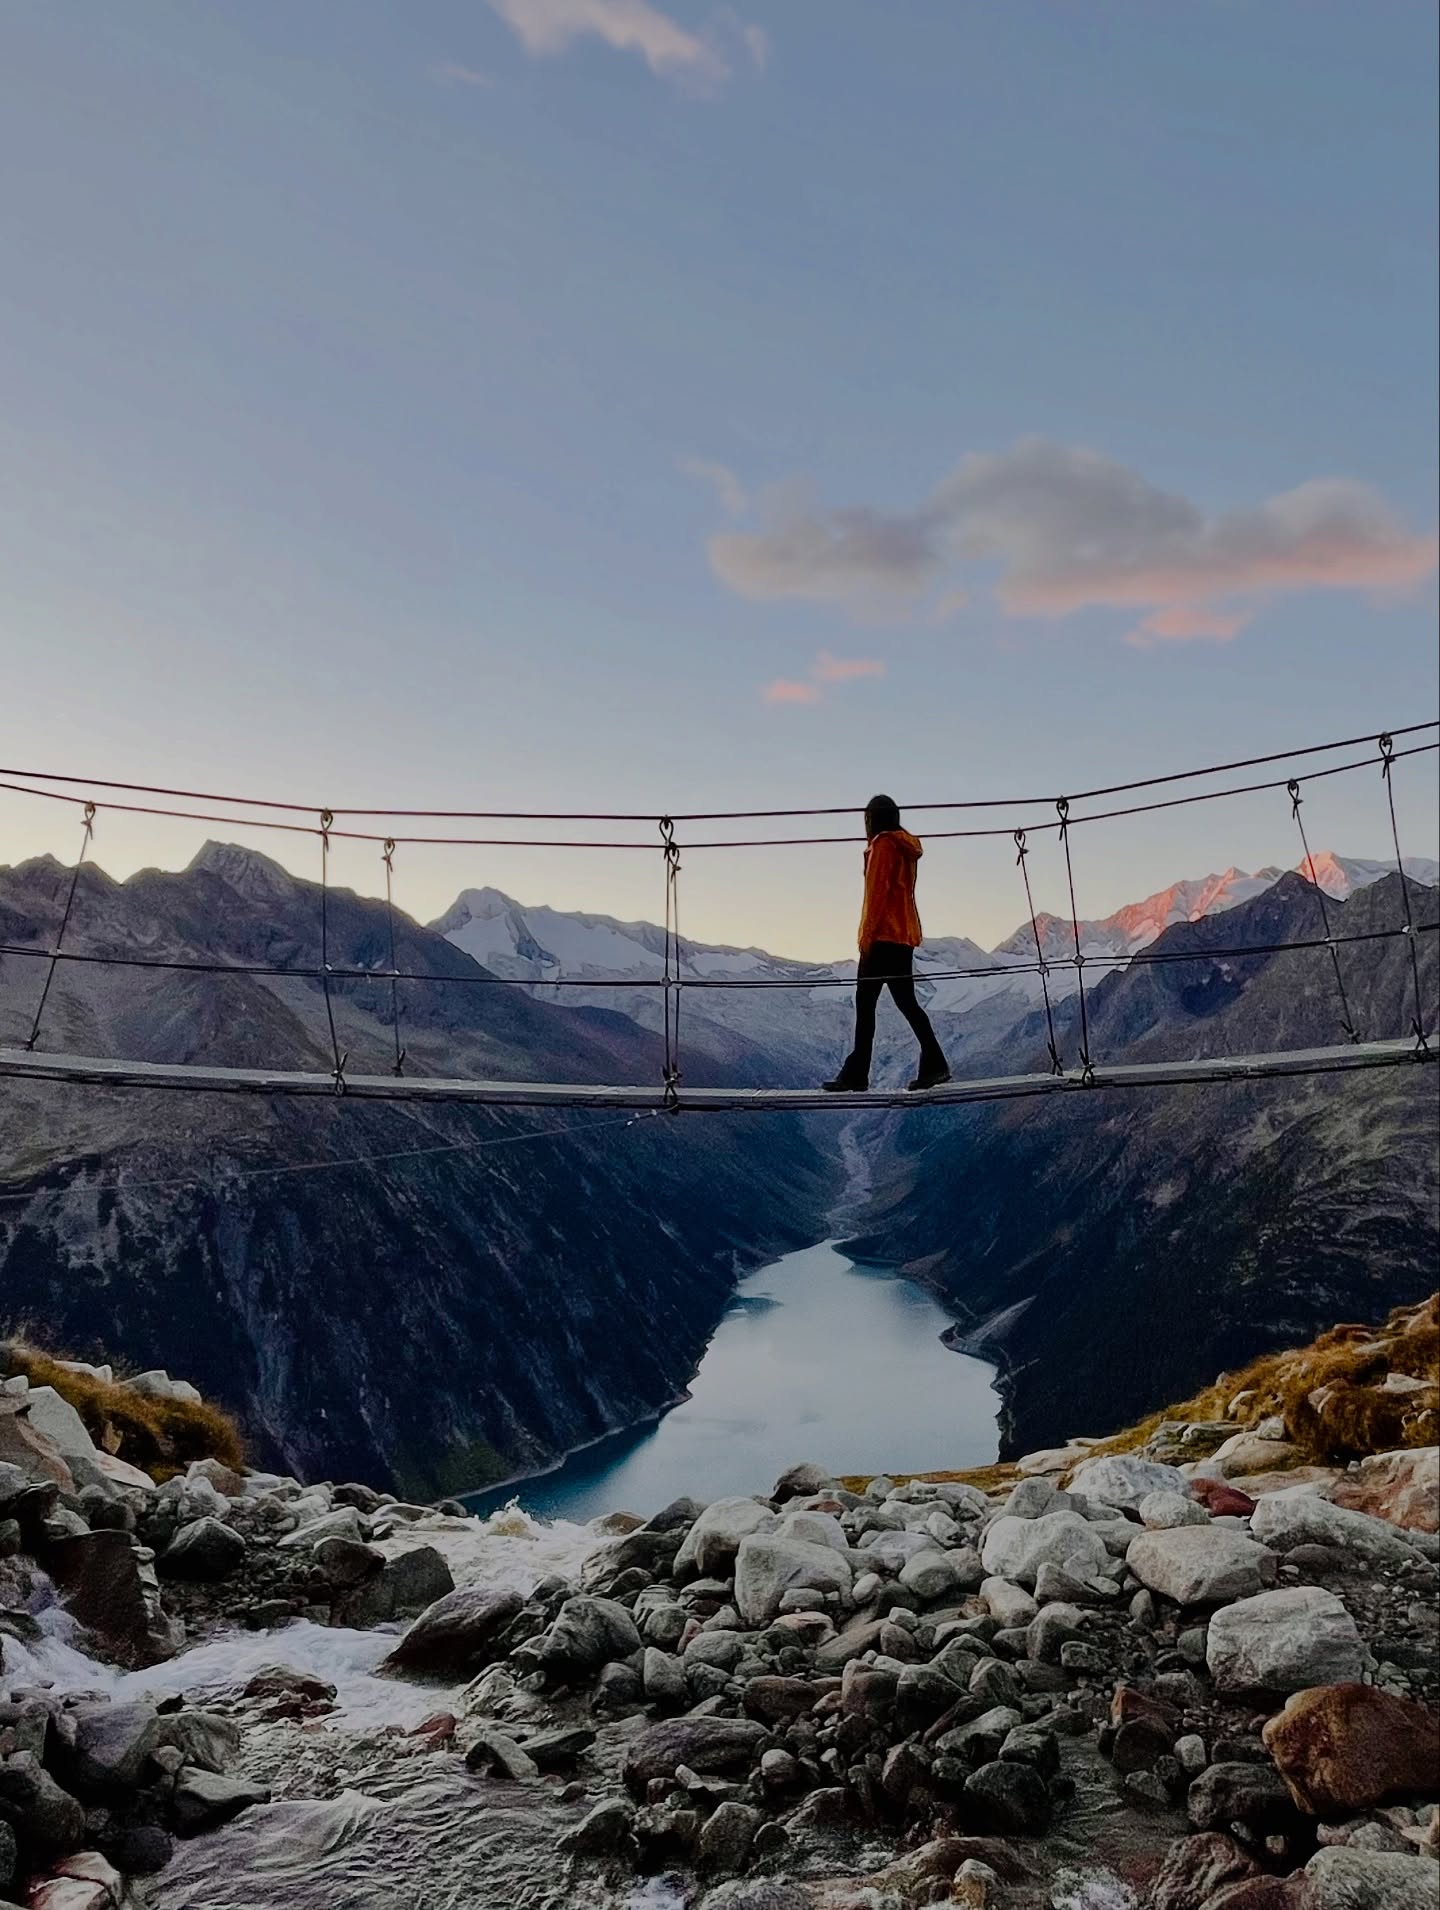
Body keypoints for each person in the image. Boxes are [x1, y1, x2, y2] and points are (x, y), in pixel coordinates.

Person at [823, 794, 951, 1093]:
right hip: (902, 936)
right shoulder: (906, 847)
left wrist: (865, 939)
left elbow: (876, 896)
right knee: (907, 1003)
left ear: (873, 819)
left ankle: (857, 1073)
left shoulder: (882, 845)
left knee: (865, 1004)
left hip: (882, 936)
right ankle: (935, 1061)